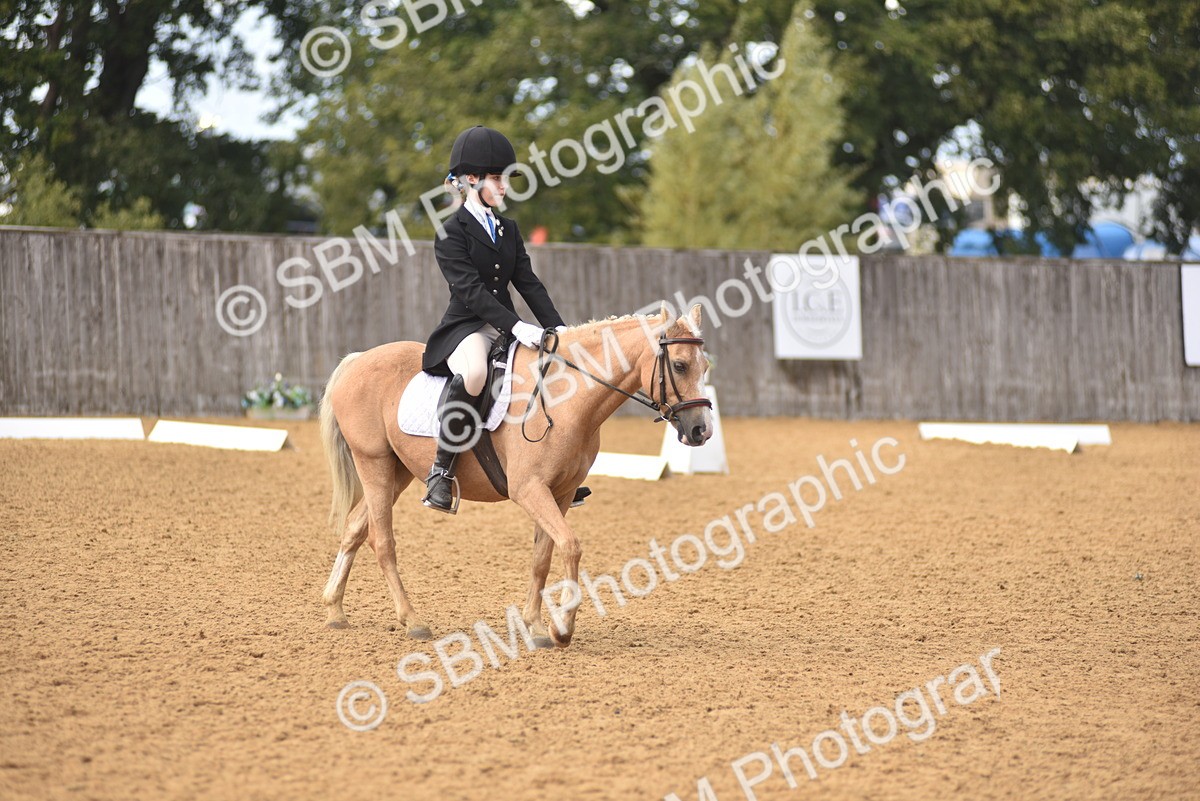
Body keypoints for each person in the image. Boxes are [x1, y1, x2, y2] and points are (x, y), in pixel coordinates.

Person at [420, 125, 567, 514]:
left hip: (505, 325)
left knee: (547, 368)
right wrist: (517, 326)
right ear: (472, 179)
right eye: (498, 178)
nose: (504, 186)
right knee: (475, 375)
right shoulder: (450, 233)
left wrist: (559, 328)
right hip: (467, 327)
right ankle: (441, 471)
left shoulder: (508, 229)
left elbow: (528, 282)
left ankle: (555, 470)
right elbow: (471, 292)